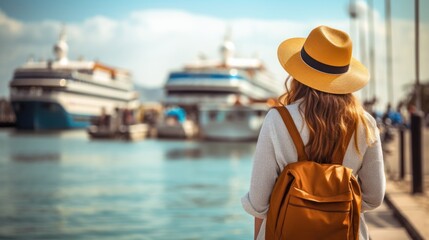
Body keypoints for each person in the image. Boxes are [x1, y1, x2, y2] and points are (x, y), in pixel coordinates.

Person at [241, 26, 385, 240]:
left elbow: (259, 202)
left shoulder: (278, 120)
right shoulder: (365, 124)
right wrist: (333, 205)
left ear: (299, 73)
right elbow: (374, 197)